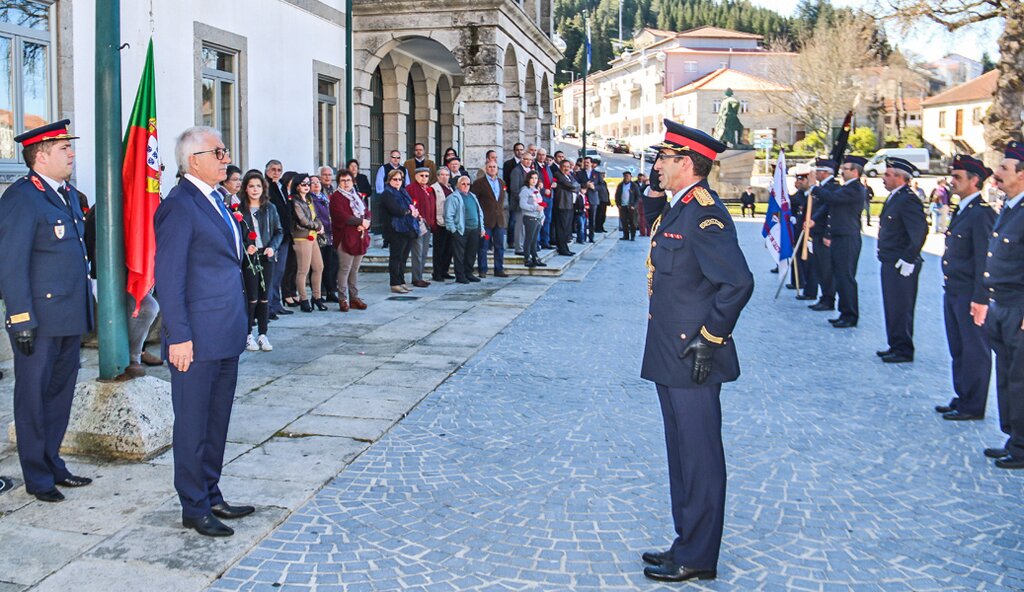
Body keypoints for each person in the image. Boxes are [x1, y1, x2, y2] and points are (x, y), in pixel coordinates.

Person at [640, 120, 753, 583]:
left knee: (700, 456)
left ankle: (699, 556)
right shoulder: (679, 207)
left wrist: (711, 338)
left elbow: (738, 282)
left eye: (663, 159)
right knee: (682, 454)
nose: (657, 166)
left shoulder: (704, 214)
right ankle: (685, 541)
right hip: (672, 353)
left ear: (686, 163)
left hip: (694, 355)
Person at [154, 126, 253, 536]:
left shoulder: (217, 200)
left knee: (216, 421)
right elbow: (169, 277)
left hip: (225, 330)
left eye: (225, 150)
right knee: (193, 424)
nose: (226, 158)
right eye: (219, 151)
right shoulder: (180, 206)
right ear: (194, 160)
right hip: (195, 337)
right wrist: (178, 335)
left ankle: (212, 492)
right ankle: (193, 506)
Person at [0, 119, 93, 503]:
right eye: (62, 149)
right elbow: (11, 263)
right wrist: (20, 318)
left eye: (69, 148)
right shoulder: (22, 198)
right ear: (40, 156)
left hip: (69, 316)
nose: (71, 153)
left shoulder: (67, 194)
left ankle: (53, 461)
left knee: (59, 394)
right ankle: (36, 477)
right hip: (38, 320)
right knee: (33, 398)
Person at [934, 155, 995, 421]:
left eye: (958, 177)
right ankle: (962, 397)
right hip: (954, 289)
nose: (952, 181)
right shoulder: (964, 210)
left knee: (974, 349)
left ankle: (973, 404)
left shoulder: (982, 214)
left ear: (975, 181)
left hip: (970, 293)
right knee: (958, 347)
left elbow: (984, 259)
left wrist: (980, 297)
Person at [980, 141, 1024, 468]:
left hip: (1019, 309)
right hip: (1000, 304)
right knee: (1007, 375)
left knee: (1020, 377)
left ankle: (1022, 447)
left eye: (1005, 168)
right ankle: (1013, 438)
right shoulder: (1009, 207)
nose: (997, 174)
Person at [876, 157, 928, 364]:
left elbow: (919, 231)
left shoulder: (908, 199)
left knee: (901, 307)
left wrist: (909, 259)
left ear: (900, 178)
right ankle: (895, 344)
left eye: (888, 174)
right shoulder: (895, 197)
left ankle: (904, 349)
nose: (883, 178)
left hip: (901, 264)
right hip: (890, 260)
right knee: (892, 306)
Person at [819, 155, 866, 329]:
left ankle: (850, 315)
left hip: (848, 238)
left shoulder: (855, 188)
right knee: (839, 276)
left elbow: (831, 199)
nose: (842, 171)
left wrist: (813, 189)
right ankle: (843, 312)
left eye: (845, 169)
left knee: (846, 277)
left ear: (855, 171)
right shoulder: (846, 187)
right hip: (839, 236)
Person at [239, 170, 282, 352]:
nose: (255, 189)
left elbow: (279, 231)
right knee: (252, 297)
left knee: (265, 297)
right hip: (250, 258)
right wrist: (245, 246)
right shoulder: (239, 210)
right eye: (251, 186)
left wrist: (273, 246)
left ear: (263, 188)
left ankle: (263, 334)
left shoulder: (270, 208)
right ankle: (248, 334)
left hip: (267, 256)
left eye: (258, 186)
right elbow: (236, 235)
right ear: (246, 189)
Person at [329, 169, 370, 311]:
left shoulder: (357, 195)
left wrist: (366, 222)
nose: (346, 183)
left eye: (348, 180)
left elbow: (366, 211)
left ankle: (354, 297)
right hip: (345, 237)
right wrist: (360, 222)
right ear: (339, 182)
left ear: (353, 181)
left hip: (359, 236)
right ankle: (343, 298)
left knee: (355, 270)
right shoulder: (336, 197)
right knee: (345, 268)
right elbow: (341, 216)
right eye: (343, 180)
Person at [290, 173, 327, 312]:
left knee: (319, 266)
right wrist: (318, 226)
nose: (307, 186)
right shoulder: (295, 201)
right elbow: (302, 220)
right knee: (303, 270)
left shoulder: (309, 199)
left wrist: (319, 225)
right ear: (297, 186)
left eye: (308, 184)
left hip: (312, 236)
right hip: (301, 236)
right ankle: (304, 298)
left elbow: (315, 216)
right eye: (303, 184)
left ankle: (316, 297)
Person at [807, 158, 839, 312]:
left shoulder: (833, 187)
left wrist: (828, 233)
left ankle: (829, 298)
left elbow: (830, 210)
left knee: (826, 269)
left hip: (824, 233)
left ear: (826, 172)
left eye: (818, 171)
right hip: (817, 232)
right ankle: (824, 297)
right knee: (820, 267)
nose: (816, 173)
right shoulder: (822, 187)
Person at [381, 168, 419, 292]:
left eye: (400, 179)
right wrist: (409, 211)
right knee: (396, 257)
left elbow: (410, 205)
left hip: (407, 228)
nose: (398, 182)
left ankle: (401, 281)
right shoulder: (387, 193)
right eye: (395, 179)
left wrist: (413, 211)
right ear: (389, 180)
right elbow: (396, 210)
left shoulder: (403, 191)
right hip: (395, 229)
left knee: (403, 257)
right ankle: (394, 283)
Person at [265, 160, 294, 318]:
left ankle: (276, 303)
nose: (276, 173)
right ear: (267, 170)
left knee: (280, 272)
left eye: (279, 170)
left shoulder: (281, 187)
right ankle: (268, 306)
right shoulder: (266, 187)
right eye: (273, 170)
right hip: (273, 237)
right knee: (272, 273)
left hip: (284, 235)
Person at [471, 160, 509, 278]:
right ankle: (482, 269)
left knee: (499, 246)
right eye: (490, 167)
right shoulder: (479, 183)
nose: (492, 169)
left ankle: (499, 269)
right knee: (483, 246)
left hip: (499, 221)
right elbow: (474, 201)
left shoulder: (501, 183)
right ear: (486, 169)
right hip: (486, 221)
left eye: (494, 167)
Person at [445, 175, 484, 283]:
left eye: (468, 184)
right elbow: (448, 216)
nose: (466, 186)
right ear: (458, 185)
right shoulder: (453, 198)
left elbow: (479, 213)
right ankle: (460, 276)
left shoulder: (473, 196)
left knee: (471, 253)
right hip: (461, 230)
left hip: (474, 229)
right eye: (463, 184)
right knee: (459, 255)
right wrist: (453, 230)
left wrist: (482, 228)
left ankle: (469, 273)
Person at [789, 164, 817, 301]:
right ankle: (799, 282)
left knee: (810, 264)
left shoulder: (814, 194)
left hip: (811, 234)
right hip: (799, 232)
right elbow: (790, 201)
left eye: (802, 180)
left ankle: (809, 288)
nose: (799, 182)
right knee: (799, 259)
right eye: (798, 180)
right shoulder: (800, 194)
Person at [310, 175, 338, 303]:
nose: (316, 184)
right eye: (312, 182)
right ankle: (318, 293)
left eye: (317, 182)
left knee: (330, 264)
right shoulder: (310, 199)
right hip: (318, 234)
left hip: (329, 234)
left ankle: (331, 291)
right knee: (318, 265)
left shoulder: (324, 197)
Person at [406, 167, 436, 288]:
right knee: (417, 252)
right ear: (416, 176)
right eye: (421, 175)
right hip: (417, 224)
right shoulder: (411, 189)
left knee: (424, 252)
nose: (424, 178)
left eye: (426, 176)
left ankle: (420, 276)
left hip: (428, 224)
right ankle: (416, 278)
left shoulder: (429, 189)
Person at [431, 166, 455, 281]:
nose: (445, 177)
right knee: (439, 249)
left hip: (450, 223)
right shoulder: (434, 188)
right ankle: (437, 273)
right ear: (438, 176)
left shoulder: (450, 188)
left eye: (447, 175)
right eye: (442, 175)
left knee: (449, 249)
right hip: (439, 222)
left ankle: (444, 270)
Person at [509, 154, 535, 255]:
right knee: (519, 226)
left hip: (529, 204)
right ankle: (519, 248)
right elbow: (514, 189)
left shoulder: (530, 171)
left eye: (530, 160)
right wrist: (522, 200)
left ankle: (525, 246)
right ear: (521, 160)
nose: (528, 161)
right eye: (526, 159)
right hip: (519, 204)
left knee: (525, 227)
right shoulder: (516, 171)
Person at [552, 159, 579, 256]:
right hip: (561, 204)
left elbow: (577, 185)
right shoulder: (558, 174)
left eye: (568, 166)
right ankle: (562, 248)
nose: (566, 168)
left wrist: (573, 186)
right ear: (560, 167)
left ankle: (565, 248)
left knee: (567, 227)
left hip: (569, 204)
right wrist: (573, 187)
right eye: (565, 166)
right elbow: (571, 186)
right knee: (561, 227)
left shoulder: (569, 175)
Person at [519, 170, 546, 268]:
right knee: (529, 239)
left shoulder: (536, 190)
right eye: (532, 178)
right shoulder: (525, 190)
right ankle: (527, 258)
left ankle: (535, 257)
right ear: (528, 179)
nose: (534, 180)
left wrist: (543, 216)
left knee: (535, 240)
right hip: (530, 217)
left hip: (538, 217)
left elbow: (540, 204)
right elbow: (522, 204)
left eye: (536, 178)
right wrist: (534, 208)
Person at [536, 149, 555, 249]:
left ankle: (545, 241)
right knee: (540, 219)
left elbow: (550, 179)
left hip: (549, 197)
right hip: (541, 196)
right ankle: (538, 242)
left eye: (543, 155)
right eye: (539, 155)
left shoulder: (547, 166)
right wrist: (543, 190)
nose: (542, 157)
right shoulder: (535, 166)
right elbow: (535, 182)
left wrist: (552, 185)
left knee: (547, 220)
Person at [616, 170, 641, 241]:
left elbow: (638, 196)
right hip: (623, 206)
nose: (626, 177)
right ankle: (625, 235)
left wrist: (634, 205)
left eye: (628, 176)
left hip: (631, 207)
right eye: (625, 176)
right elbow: (617, 195)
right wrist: (618, 204)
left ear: (630, 177)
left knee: (633, 222)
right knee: (624, 221)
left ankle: (632, 236)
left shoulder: (634, 185)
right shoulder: (620, 185)